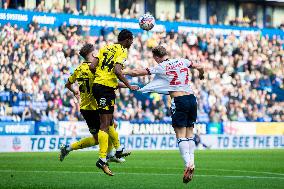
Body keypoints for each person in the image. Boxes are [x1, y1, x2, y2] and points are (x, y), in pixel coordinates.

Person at [124, 45, 205, 184]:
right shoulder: (183, 61)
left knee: (180, 134)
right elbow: (199, 66)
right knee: (190, 133)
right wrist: (201, 74)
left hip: (179, 100)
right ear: (166, 53)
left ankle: (188, 164)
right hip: (192, 98)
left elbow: (137, 72)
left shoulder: (161, 66)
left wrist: (121, 71)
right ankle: (192, 162)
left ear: (156, 57)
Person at [60, 44, 126, 176]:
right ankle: (110, 154)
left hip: (85, 108)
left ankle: (68, 148)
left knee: (101, 135)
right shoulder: (94, 68)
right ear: (92, 53)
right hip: (96, 106)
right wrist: (127, 86)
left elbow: (67, 84)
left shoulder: (78, 69)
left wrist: (75, 92)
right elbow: (108, 82)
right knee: (108, 127)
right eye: (95, 52)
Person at [89, 29, 139, 175]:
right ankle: (102, 158)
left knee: (110, 122)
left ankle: (117, 150)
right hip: (106, 89)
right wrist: (129, 86)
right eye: (132, 40)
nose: (132, 42)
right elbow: (117, 70)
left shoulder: (105, 48)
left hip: (98, 86)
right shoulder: (122, 50)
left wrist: (100, 77)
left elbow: (92, 67)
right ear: (128, 39)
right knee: (105, 125)